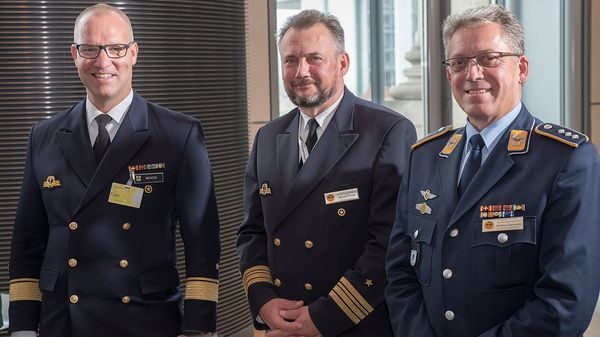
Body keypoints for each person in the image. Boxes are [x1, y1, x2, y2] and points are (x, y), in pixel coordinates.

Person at [385, 4, 600, 337]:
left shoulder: (566, 160)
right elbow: (400, 275)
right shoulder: (424, 157)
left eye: (489, 58)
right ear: (448, 74)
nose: (473, 74)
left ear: (522, 68)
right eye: (459, 62)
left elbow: (566, 302)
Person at [8, 4, 220, 337]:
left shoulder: (178, 135)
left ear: (133, 53)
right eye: (90, 49)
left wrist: (198, 327)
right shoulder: (44, 136)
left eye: (115, 48)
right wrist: (22, 326)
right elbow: (27, 242)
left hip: (145, 320)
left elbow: (202, 244)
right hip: (62, 321)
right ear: (74, 54)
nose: (103, 61)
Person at [236, 9, 416, 337]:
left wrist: (323, 317)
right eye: (290, 60)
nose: (301, 71)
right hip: (284, 322)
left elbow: (390, 242)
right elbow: (252, 232)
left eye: (314, 58)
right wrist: (264, 302)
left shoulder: (387, 131)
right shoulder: (267, 137)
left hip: (354, 323)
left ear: (342, 63)